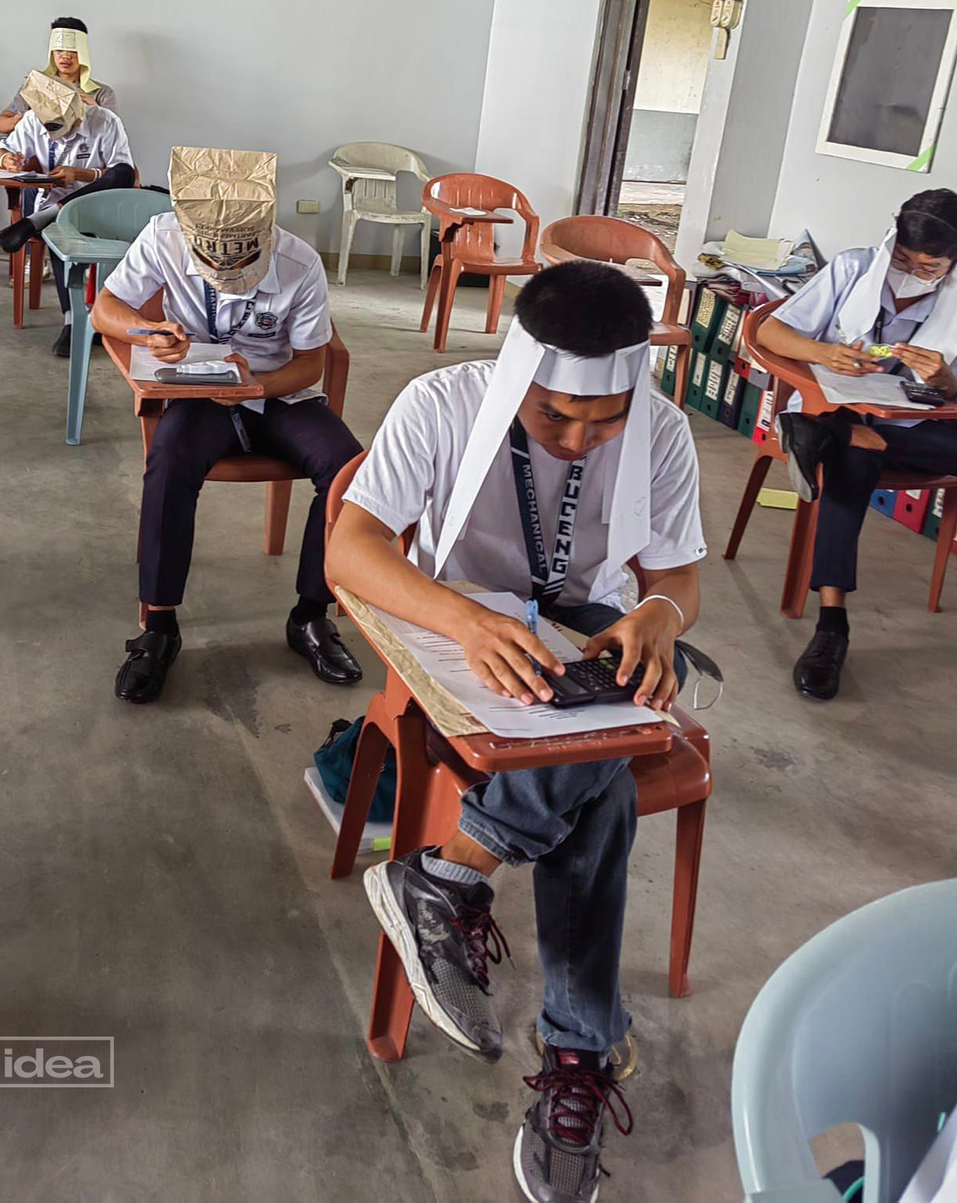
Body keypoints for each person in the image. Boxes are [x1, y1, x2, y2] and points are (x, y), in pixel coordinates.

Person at [326, 261, 708, 1203]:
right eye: (553, 420)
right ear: (512, 382)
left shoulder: (660, 430)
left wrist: (661, 611)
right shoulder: (440, 404)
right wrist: (463, 620)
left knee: (618, 723)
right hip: (460, 623)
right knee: (606, 773)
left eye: (603, 421)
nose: (581, 442)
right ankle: (580, 1057)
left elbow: (677, 576)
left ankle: (450, 870)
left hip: (586, 634)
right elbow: (351, 546)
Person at [92, 145, 364, 703]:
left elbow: (312, 361)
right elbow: (105, 309)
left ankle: (312, 616)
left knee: (347, 468)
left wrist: (255, 387)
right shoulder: (163, 237)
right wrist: (150, 333)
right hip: (197, 391)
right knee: (168, 461)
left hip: (278, 392)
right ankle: (158, 627)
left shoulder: (299, 262)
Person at [765, 188, 957, 700]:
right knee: (853, 461)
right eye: (902, 258)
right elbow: (770, 331)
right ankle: (832, 627)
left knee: (861, 443)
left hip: (919, 424)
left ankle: (832, 436)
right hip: (844, 402)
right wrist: (823, 353)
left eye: (931, 266)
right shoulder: (854, 269)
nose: (912, 272)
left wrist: (946, 380)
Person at [0, 71, 135, 357]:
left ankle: (38, 221)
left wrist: (80, 174)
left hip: (100, 201)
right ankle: (72, 321)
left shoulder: (106, 122)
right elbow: (3, 148)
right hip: (56, 204)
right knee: (62, 231)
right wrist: (7, 160)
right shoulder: (33, 120)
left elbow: (125, 174)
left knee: (122, 173)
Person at [0, 17, 119, 136]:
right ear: (52, 53)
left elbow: (114, 132)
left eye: (72, 51)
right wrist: (22, 120)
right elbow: (0, 124)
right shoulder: (35, 87)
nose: (65, 56)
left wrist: (95, 110)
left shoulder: (103, 93)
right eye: (59, 50)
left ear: (83, 53)